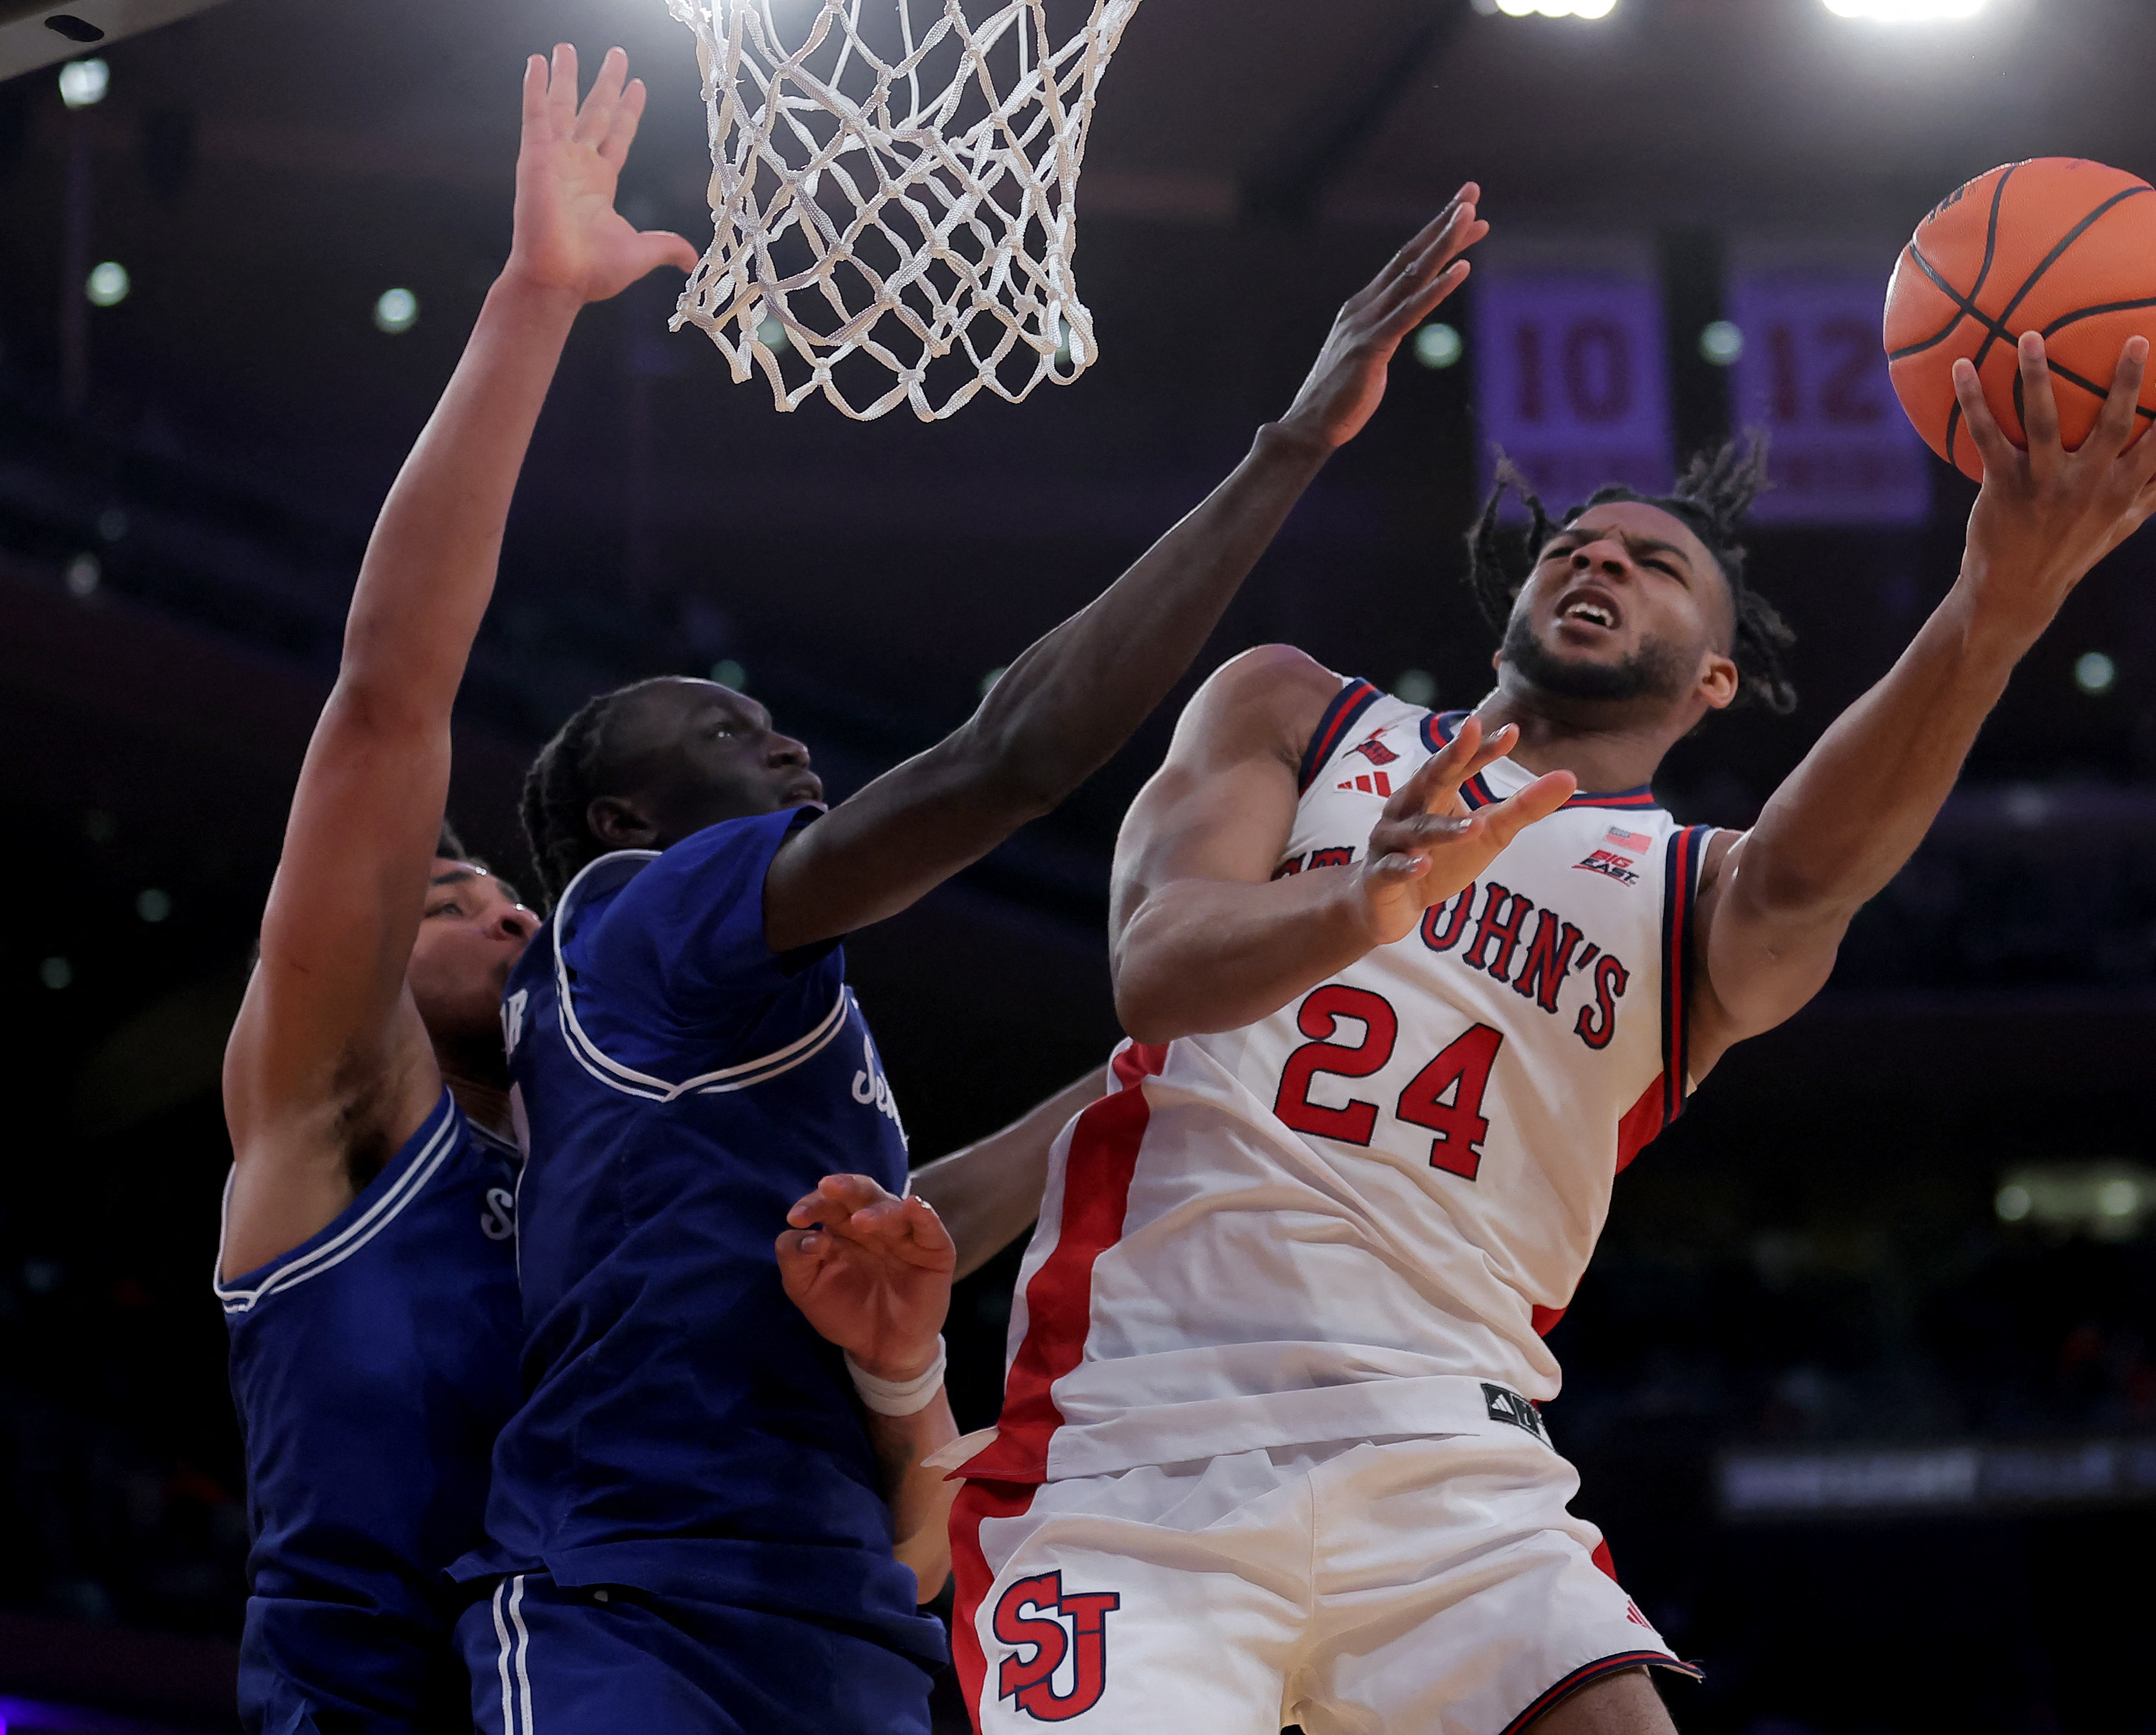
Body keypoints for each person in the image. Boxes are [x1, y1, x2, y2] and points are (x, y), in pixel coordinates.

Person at [937, 334, 2156, 1733]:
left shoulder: (1696, 898)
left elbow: (1816, 871)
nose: (1599, 564)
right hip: (1146, 1430)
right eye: (1577, 549)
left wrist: (1997, 606)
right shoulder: (1303, 713)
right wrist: (1364, 901)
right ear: (1508, 623)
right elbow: (1158, 973)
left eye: (1654, 566)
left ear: (1713, 679)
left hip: (1449, 1455)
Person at [448, 184, 1496, 1735]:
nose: (780, 734)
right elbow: (1006, 759)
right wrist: (1285, 449)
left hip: (839, 1604)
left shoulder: (745, 1019)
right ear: (622, 815)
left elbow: (896, 1230)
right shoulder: (635, 909)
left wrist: (1199, 1043)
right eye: (723, 729)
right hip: (635, 1593)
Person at [209, 42, 693, 1734]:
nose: (505, 910)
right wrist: (535, 308)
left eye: (508, 895)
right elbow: (389, 700)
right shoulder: (335, 1106)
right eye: (444, 896)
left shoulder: (606, 1176)